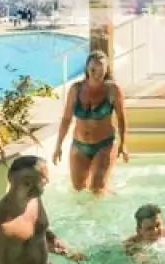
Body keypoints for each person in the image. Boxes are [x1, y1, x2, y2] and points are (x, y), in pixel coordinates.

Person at [53, 50, 129, 195]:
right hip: (79, 145)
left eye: (101, 69)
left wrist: (123, 143)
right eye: (93, 69)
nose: (97, 73)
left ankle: (105, 198)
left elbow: (121, 118)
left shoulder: (113, 90)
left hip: (104, 144)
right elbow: (66, 119)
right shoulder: (76, 89)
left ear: (106, 69)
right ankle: (109, 195)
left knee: (96, 188)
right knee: (78, 189)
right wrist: (58, 145)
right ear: (87, 69)